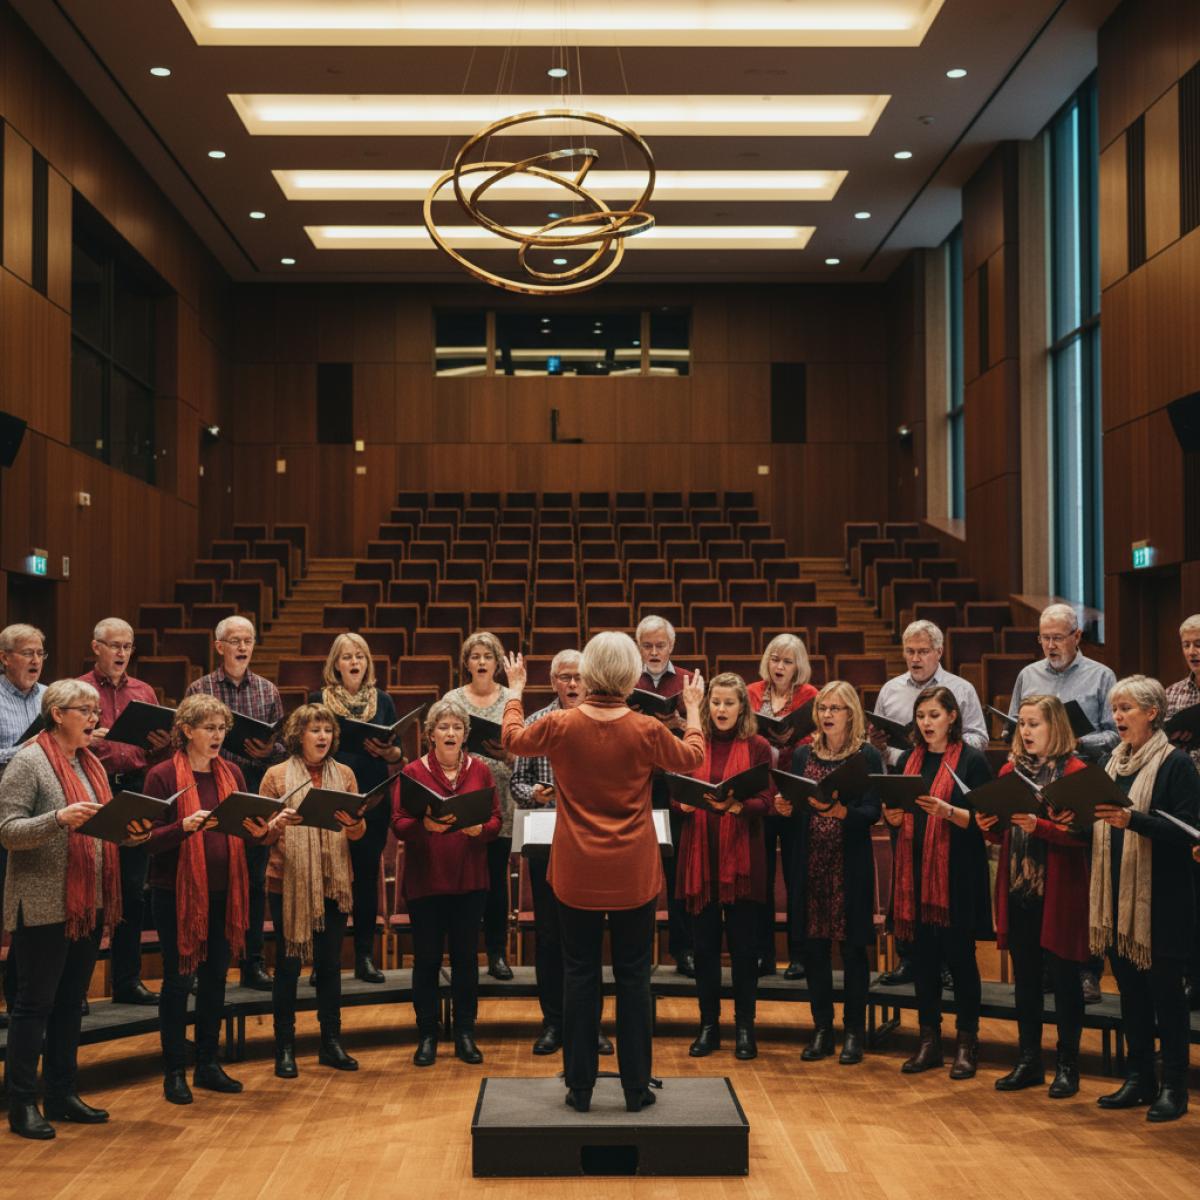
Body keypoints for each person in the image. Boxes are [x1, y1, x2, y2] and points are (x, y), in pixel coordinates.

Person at [501, 635, 705, 1114]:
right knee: (634, 978)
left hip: (577, 870)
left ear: (590, 673)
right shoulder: (646, 728)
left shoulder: (561, 724)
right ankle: (635, 1088)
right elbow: (694, 756)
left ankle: (580, 1088)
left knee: (578, 974)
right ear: (630, 675)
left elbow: (511, 740)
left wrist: (515, 691)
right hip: (632, 870)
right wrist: (693, 709)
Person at [0, 679, 152, 1140]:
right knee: (34, 1005)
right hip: (43, 902)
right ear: (57, 714)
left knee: (70, 1003)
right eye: (84, 711)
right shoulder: (28, 761)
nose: (94, 719)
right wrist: (57, 819)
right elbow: (8, 831)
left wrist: (132, 834)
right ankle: (22, 1102)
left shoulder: (91, 764)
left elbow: (103, 827)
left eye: (94, 711)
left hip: (88, 901)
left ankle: (62, 1093)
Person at [1092, 675, 1200, 1123]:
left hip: (1163, 898)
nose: (1117, 716)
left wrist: (1132, 820)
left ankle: (1174, 1085)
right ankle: (1138, 1078)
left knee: (1166, 997)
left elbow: (1187, 831)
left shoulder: (1176, 764)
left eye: (1127, 708)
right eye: (1115, 709)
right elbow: (1100, 823)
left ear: (1153, 713)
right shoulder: (1111, 763)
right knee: (1131, 994)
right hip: (1117, 897)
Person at [975, 695, 1089, 1098]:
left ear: (1055, 726)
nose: (1025, 731)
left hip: (1060, 890)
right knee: (1025, 979)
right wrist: (988, 823)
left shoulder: (1075, 772)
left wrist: (1039, 825)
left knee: (1064, 979)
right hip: (1019, 887)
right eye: (1021, 723)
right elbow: (1001, 833)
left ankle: (1068, 1065)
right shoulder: (1010, 770)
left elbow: (1082, 838)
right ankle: (1029, 1061)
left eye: (1034, 723)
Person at [144, 694, 252, 1105]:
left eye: (222, 728)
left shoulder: (233, 773)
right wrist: (182, 828)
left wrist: (265, 828)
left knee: (215, 979)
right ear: (187, 730)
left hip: (225, 890)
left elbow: (245, 827)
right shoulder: (162, 776)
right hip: (176, 893)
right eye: (209, 728)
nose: (217, 735)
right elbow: (146, 840)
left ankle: (208, 1062)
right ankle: (174, 1071)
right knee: (178, 981)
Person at [881, 684, 992, 1079]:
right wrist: (892, 818)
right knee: (923, 960)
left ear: (952, 717)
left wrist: (948, 811)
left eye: (934, 715)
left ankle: (966, 1043)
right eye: (921, 716)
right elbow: (896, 813)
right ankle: (929, 1042)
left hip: (957, 875)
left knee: (960, 960)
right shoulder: (908, 760)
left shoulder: (972, 761)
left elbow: (985, 822)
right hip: (914, 874)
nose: (926, 723)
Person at [872, 620, 987, 989]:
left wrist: (946, 747)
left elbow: (979, 737)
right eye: (910, 651)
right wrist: (885, 749)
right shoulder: (891, 690)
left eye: (923, 651)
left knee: (953, 921)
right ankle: (912, 960)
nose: (916, 657)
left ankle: (950, 966)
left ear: (939, 651)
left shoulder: (961, 689)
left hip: (951, 788)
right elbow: (887, 752)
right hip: (912, 788)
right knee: (910, 883)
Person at [509, 648, 612, 1057]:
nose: (572, 684)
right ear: (553, 682)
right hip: (547, 840)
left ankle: (591, 1026)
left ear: (590, 681)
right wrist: (534, 793)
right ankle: (553, 1023)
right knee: (550, 937)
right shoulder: (537, 723)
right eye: (565, 677)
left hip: (590, 844)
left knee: (589, 937)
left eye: (578, 677)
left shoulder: (603, 722)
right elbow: (517, 782)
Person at [773, 680, 883, 1065]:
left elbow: (873, 811)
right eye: (822, 708)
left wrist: (842, 813)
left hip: (848, 864)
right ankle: (822, 1028)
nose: (827, 715)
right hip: (812, 863)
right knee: (814, 949)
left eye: (835, 708)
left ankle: (853, 1032)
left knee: (852, 950)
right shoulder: (804, 754)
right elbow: (796, 804)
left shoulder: (867, 756)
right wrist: (786, 808)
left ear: (851, 713)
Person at [392, 698, 500, 1067]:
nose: (450, 732)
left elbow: (496, 820)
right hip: (426, 882)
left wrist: (481, 829)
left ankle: (465, 1033)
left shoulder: (481, 770)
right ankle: (427, 1034)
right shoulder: (413, 772)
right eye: (443, 727)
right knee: (426, 960)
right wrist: (423, 825)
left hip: (470, 881)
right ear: (431, 735)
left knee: (467, 959)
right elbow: (399, 823)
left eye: (457, 727)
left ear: (465, 735)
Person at [257, 703, 364, 1077]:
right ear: (297, 735)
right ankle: (284, 1047)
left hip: (334, 881)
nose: (323, 737)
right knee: (288, 967)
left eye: (327, 730)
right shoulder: (275, 775)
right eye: (315, 730)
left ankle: (330, 1043)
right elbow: (261, 834)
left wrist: (353, 824)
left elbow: (358, 832)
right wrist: (277, 824)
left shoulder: (345, 774)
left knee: (330, 965)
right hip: (288, 881)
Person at [675, 672, 772, 1061]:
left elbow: (767, 800)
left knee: (745, 950)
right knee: (704, 949)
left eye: (729, 703)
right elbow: (676, 790)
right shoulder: (695, 742)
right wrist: (682, 803)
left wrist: (738, 806)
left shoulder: (758, 746)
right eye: (715, 702)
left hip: (742, 860)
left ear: (742, 707)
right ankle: (708, 1027)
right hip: (700, 859)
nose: (720, 709)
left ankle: (745, 1028)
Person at [186, 615, 284, 990]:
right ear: (219, 647)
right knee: (209, 880)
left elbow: (281, 745)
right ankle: (201, 963)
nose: (242, 647)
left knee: (254, 882)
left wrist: (268, 750)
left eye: (248, 640)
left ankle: (252, 962)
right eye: (235, 641)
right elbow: (187, 740)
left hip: (253, 790)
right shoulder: (200, 688)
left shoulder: (268, 690)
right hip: (209, 790)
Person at [80, 617, 172, 1007]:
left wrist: (162, 742)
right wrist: (86, 739)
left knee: (133, 891)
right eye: (114, 645)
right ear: (96, 647)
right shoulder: (79, 690)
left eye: (127, 646)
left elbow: (157, 751)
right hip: (93, 788)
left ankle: (127, 980)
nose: (121, 653)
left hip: (135, 787)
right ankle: (77, 989)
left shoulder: (143, 691)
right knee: (91, 891)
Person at [310, 632, 405, 984]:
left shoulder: (383, 700)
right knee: (327, 880)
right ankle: (324, 961)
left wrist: (389, 752)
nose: (354, 662)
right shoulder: (318, 700)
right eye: (347, 656)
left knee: (366, 879)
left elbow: (398, 752)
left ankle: (365, 957)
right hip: (330, 798)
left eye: (360, 656)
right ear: (335, 663)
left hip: (373, 799)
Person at [746, 632, 819, 980]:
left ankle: (800, 955)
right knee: (759, 880)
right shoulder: (751, 692)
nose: (779, 666)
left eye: (787, 661)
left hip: (794, 797)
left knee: (797, 877)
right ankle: (763, 955)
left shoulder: (810, 696)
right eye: (775, 659)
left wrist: (795, 738)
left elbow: (817, 741)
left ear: (798, 666)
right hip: (761, 795)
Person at [445, 631, 515, 981]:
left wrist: (509, 754)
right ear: (466, 663)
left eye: (488, 656)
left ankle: (497, 953)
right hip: (464, 794)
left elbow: (524, 749)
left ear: (498, 663)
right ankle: (465, 953)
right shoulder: (453, 699)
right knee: (466, 881)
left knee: (496, 881)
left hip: (501, 794)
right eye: (476, 656)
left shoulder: (511, 698)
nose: (482, 662)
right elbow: (441, 743)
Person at [635, 614, 696, 978]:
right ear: (638, 647)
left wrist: (680, 725)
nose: (654, 652)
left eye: (661, 645)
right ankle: (638, 951)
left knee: (678, 871)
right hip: (638, 784)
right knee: (638, 869)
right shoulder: (628, 678)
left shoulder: (687, 680)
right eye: (647, 646)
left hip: (676, 784)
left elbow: (706, 730)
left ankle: (683, 949)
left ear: (672, 646)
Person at [0, 623, 48, 1027]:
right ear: (5, 658)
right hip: (6, 813)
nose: (35, 660)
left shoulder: (51, 698)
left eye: (40, 653)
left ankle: (21, 997)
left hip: (44, 817)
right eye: (27, 653)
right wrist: (23, 751)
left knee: (27, 913)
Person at [1007, 604, 1119, 760]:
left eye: (1058, 638)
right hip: (1036, 765)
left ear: (1077, 636)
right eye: (1045, 638)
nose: (1050, 645)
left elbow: (1116, 735)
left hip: (1084, 765)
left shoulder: (1102, 676)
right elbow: (1013, 724)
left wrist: (1079, 743)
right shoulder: (1027, 675)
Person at [1165, 614, 1200, 1010]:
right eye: (1187, 644)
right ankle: (1192, 978)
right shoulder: (1173, 693)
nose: (1193, 651)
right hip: (1185, 806)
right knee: (1190, 898)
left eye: (1199, 644)